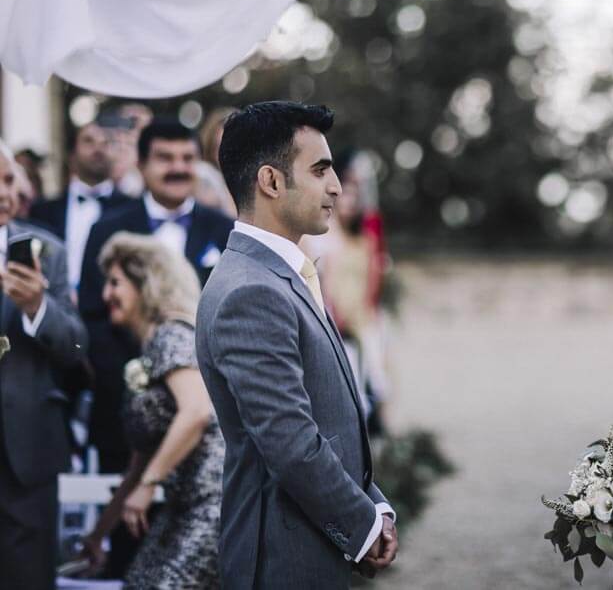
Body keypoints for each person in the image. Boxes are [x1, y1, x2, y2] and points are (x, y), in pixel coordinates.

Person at [196, 101, 396, 588]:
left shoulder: (281, 272)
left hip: (306, 540)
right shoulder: (251, 290)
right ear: (271, 181)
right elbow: (290, 441)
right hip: (282, 555)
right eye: (321, 170)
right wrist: (362, 525)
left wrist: (375, 502)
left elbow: (328, 415)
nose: (336, 186)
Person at [78, 119, 233, 576]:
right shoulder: (109, 227)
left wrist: (184, 373)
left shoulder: (223, 228)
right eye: (165, 158)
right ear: (142, 165)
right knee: (130, 560)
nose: (178, 168)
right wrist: (145, 381)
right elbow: (93, 316)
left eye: (187, 158)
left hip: (206, 425)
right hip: (134, 413)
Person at [79, 233, 223, 588]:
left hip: (213, 504)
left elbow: (196, 412)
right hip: (182, 506)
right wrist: (99, 534)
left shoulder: (170, 334)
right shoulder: (151, 346)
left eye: (115, 283)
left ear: (146, 285)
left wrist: (149, 486)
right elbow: (139, 464)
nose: (105, 295)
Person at [0, 141, 89, 590]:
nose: (4, 191)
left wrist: (38, 308)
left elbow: (77, 346)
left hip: (27, 449)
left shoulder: (46, 251)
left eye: (9, 179)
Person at [304, 149, 389, 435]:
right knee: (348, 368)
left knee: (374, 366)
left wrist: (368, 305)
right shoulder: (326, 238)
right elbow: (324, 276)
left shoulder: (364, 239)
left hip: (360, 310)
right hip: (335, 310)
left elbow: (374, 272)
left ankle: (373, 413)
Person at [31, 122, 132, 292]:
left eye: (106, 143)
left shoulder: (130, 208)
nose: (98, 149)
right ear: (71, 154)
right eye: (88, 141)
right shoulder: (42, 211)